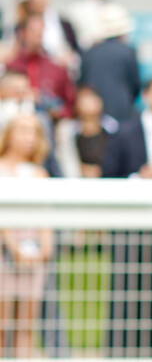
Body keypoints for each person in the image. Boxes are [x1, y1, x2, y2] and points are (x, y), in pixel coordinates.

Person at [0, 113, 54, 358]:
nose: (29, 138)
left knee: (26, 323)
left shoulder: (39, 173)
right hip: (5, 252)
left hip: (32, 253)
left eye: (33, 132)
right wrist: (13, 247)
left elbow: (44, 216)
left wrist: (45, 247)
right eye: (23, 130)